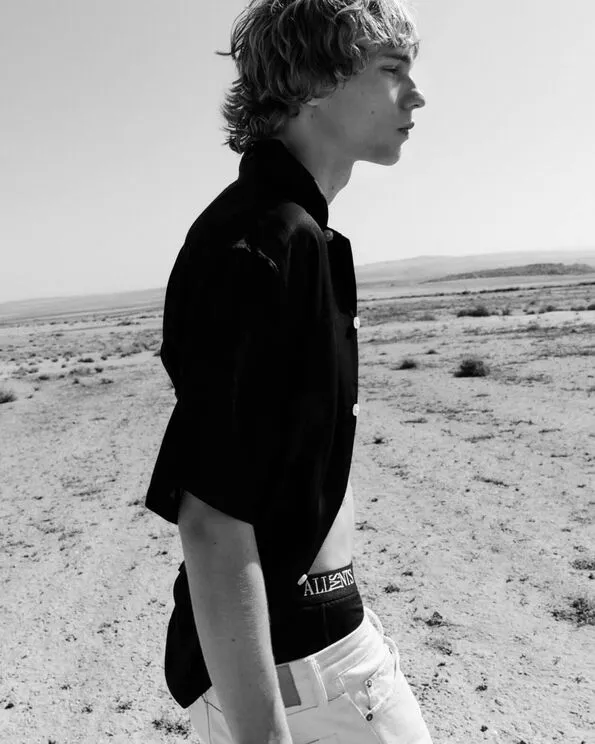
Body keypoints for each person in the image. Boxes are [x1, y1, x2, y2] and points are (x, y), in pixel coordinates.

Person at [144, 0, 431, 741]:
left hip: (305, 660)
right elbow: (211, 521)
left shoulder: (279, 228)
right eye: (392, 71)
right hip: (310, 678)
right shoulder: (271, 243)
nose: (416, 96)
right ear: (311, 80)